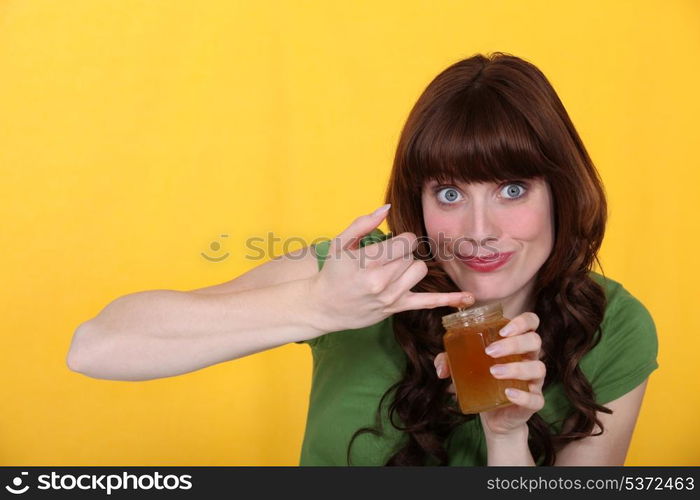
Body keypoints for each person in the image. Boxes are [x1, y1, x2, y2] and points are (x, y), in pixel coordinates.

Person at [66, 52, 658, 466]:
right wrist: (313, 305)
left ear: (560, 190)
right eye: (449, 193)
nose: (479, 232)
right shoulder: (359, 274)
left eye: (511, 190)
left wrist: (507, 441)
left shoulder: (617, 328)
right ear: (417, 202)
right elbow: (97, 346)